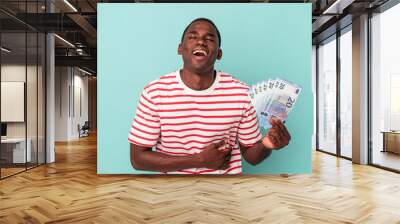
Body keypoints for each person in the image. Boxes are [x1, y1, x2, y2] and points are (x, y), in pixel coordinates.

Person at [128, 18, 291, 174]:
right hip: (171, 190)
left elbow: (251, 156)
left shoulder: (242, 93)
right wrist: (198, 160)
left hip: (224, 190)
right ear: (180, 48)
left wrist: (267, 144)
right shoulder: (154, 92)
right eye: (192, 37)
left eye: (209, 39)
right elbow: (138, 159)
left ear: (219, 53)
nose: (200, 42)